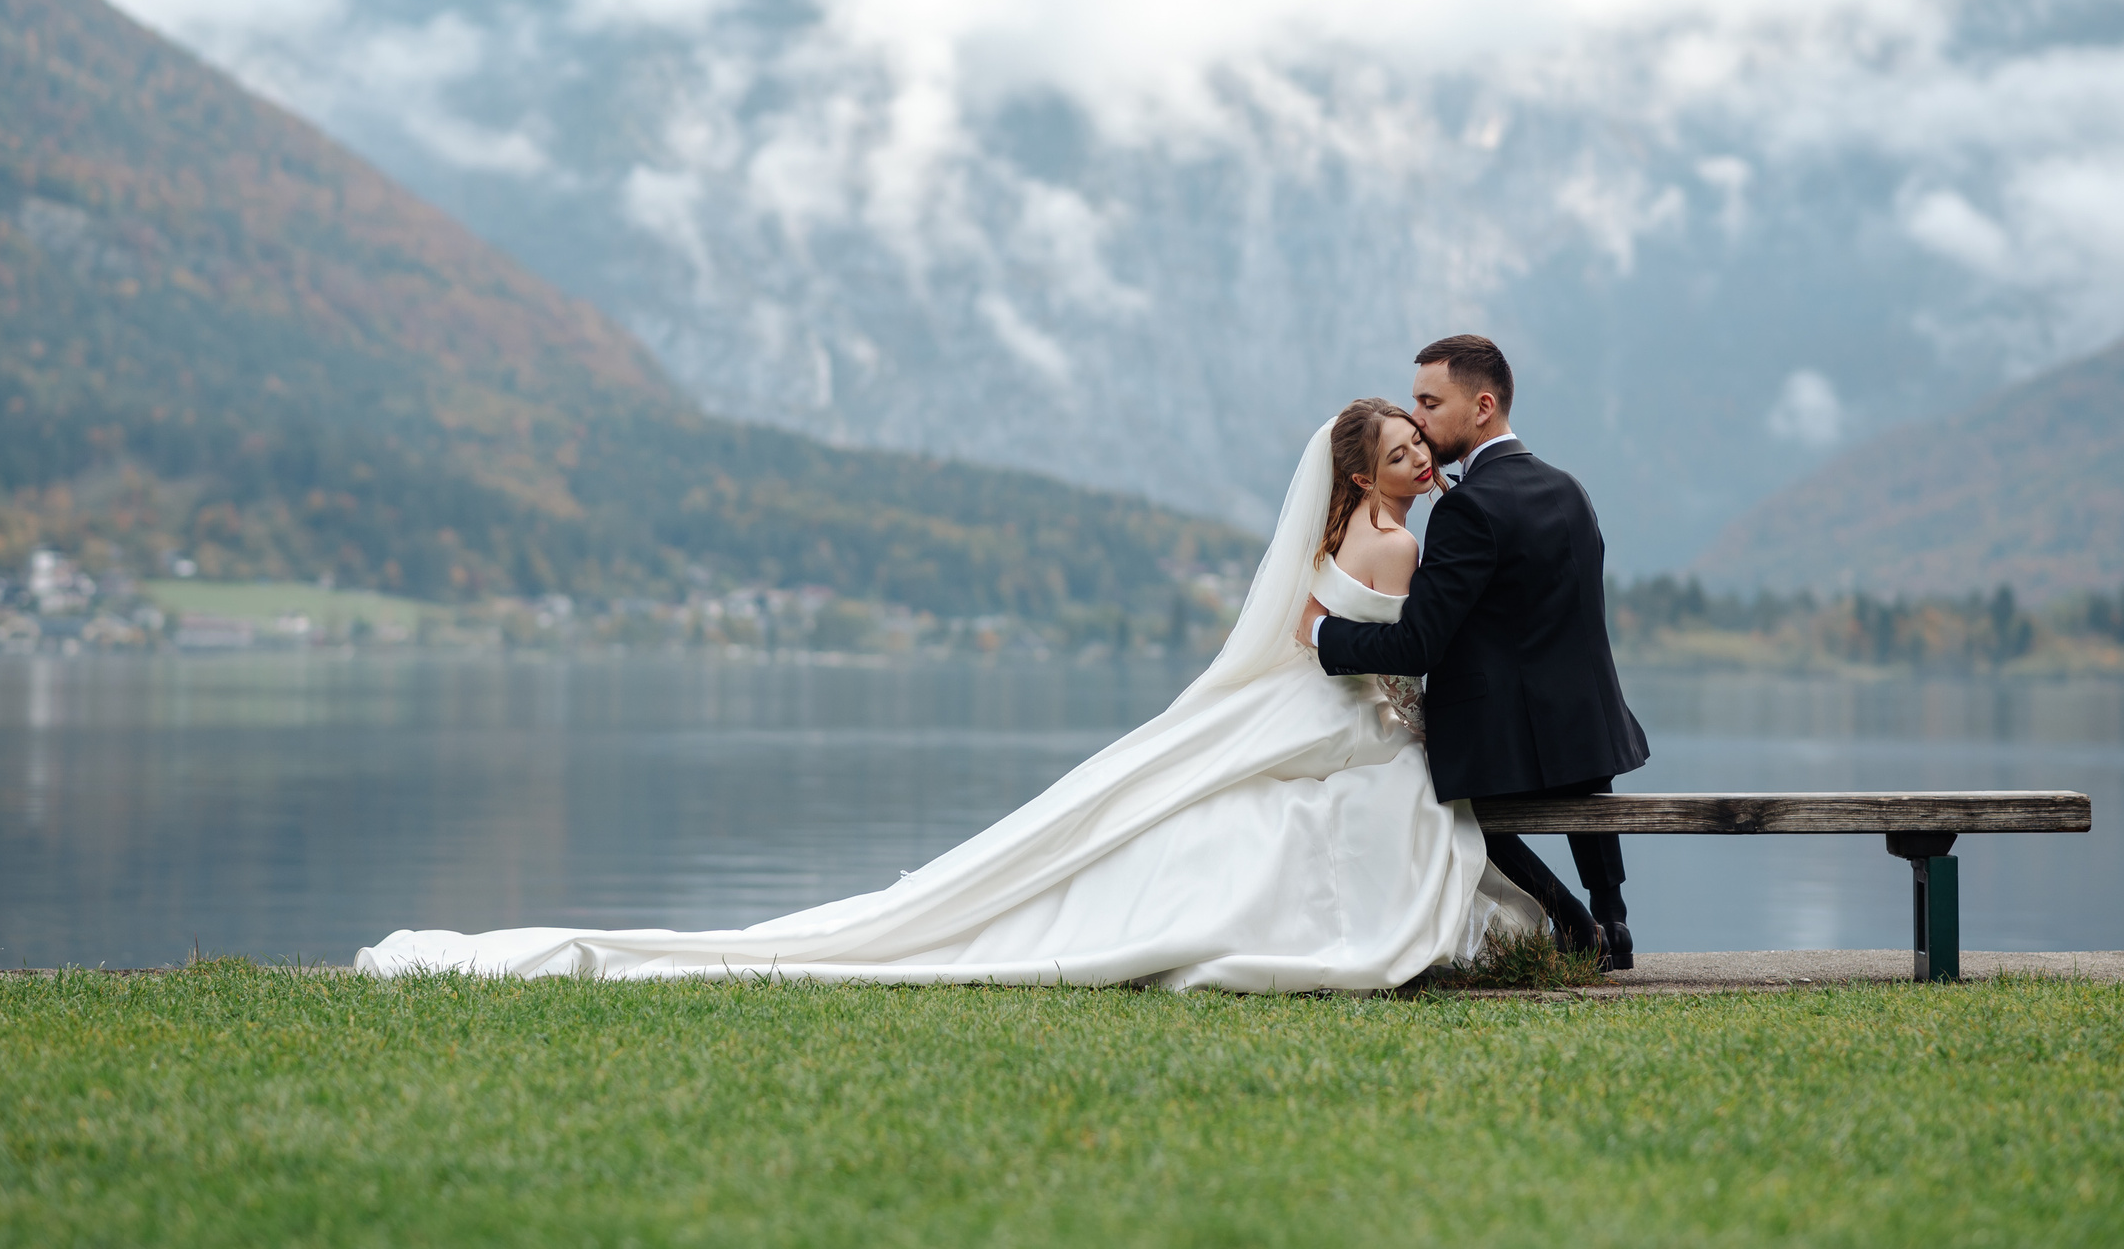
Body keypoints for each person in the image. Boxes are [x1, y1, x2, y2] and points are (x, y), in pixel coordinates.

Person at [356, 398, 1546, 987]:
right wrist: (1407, 697)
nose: (1423, 460)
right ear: (1363, 470)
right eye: (1404, 452)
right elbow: (1395, 648)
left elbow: (1303, 624)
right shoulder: (1399, 544)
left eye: (1421, 447)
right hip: (1355, 720)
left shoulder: (1345, 530)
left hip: (1317, 705)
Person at [1301, 334, 1650, 969]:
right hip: (1588, 731)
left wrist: (1325, 634)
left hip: (1501, 743)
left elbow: (1418, 644)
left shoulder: (1468, 509)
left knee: (1435, 797)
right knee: (1556, 795)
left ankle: (1573, 922)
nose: (1419, 421)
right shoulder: (1570, 488)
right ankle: (1611, 920)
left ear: (1482, 405)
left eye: (1430, 404)